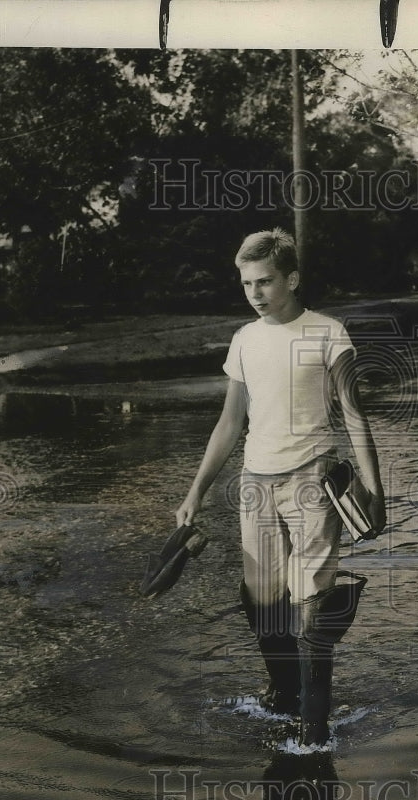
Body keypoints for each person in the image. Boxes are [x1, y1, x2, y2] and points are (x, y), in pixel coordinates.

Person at [176, 228, 385, 748]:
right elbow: (229, 423)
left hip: (314, 481)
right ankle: (286, 690)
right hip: (255, 485)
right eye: (247, 282)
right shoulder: (245, 339)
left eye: (265, 281)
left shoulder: (329, 334)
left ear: (291, 278)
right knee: (262, 602)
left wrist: (376, 492)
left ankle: (314, 735)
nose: (254, 292)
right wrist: (196, 492)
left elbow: (355, 417)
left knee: (312, 607)